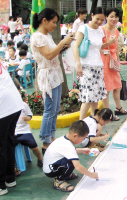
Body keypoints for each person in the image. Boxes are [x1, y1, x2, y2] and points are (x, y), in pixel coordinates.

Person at [31, 8, 74, 153]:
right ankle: (45, 140)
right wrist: (62, 43)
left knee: (55, 109)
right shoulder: (37, 37)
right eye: (53, 22)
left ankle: (51, 136)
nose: (55, 25)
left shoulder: (47, 36)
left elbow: (53, 53)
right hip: (47, 76)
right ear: (44, 21)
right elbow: (48, 55)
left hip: (54, 74)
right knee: (49, 110)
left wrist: (63, 47)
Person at [74, 7, 112, 120]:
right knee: (87, 97)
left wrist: (108, 45)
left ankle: (93, 121)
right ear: (92, 15)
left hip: (98, 66)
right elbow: (75, 46)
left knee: (96, 97)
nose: (100, 22)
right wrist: (78, 64)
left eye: (102, 20)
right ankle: (80, 123)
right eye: (97, 19)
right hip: (86, 66)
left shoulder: (100, 30)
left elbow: (97, 47)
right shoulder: (83, 28)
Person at [43, 120, 99, 192]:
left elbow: (69, 151)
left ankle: (66, 174)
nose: (82, 141)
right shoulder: (68, 146)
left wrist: (82, 150)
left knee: (71, 159)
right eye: (82, 139)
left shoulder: (63, 139)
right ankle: (59, 181)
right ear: (75, 136)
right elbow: (78, 167)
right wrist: (91, 175)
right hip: (51, 170)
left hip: (50, 165)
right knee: (71, 162)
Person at [0, 64, 23, 196]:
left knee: (1, 146)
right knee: (8, 141)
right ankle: (10, 178)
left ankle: (1, 185)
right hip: (14, 104)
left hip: (3, 107)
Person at [101, 8, 127, 120]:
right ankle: (108, 113)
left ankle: (118, 108)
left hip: (113, 61)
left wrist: (118, 60)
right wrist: (109, 43)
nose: (114, 19)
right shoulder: (101, 30)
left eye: (116, 17)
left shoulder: (116, 31)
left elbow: (116, 47)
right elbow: (96, 47)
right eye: (111, 16)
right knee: (106, 89)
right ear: (106, 17)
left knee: (118, 86)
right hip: (104, 60)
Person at [13, 81, 43, 167]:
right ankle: (13, 165)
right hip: (13, 131)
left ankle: (40, 159)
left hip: (24, 131)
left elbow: (30, 115)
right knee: (9, 148)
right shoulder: (8, 106)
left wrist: (28, 118)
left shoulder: (24, 105)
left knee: (34, 146)